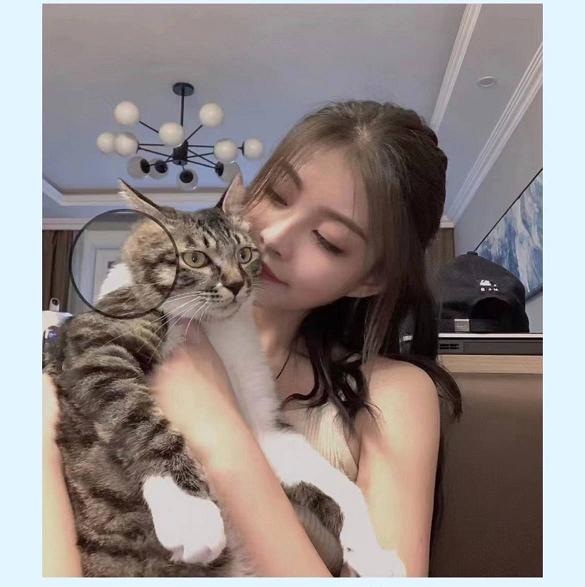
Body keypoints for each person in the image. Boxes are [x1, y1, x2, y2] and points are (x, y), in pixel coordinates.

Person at [43, 100, 462, 577]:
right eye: (277, 195)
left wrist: (219, 429)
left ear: (370, 279)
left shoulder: (394, 394)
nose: (274, 238)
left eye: (327, 238)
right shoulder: (131, 338)